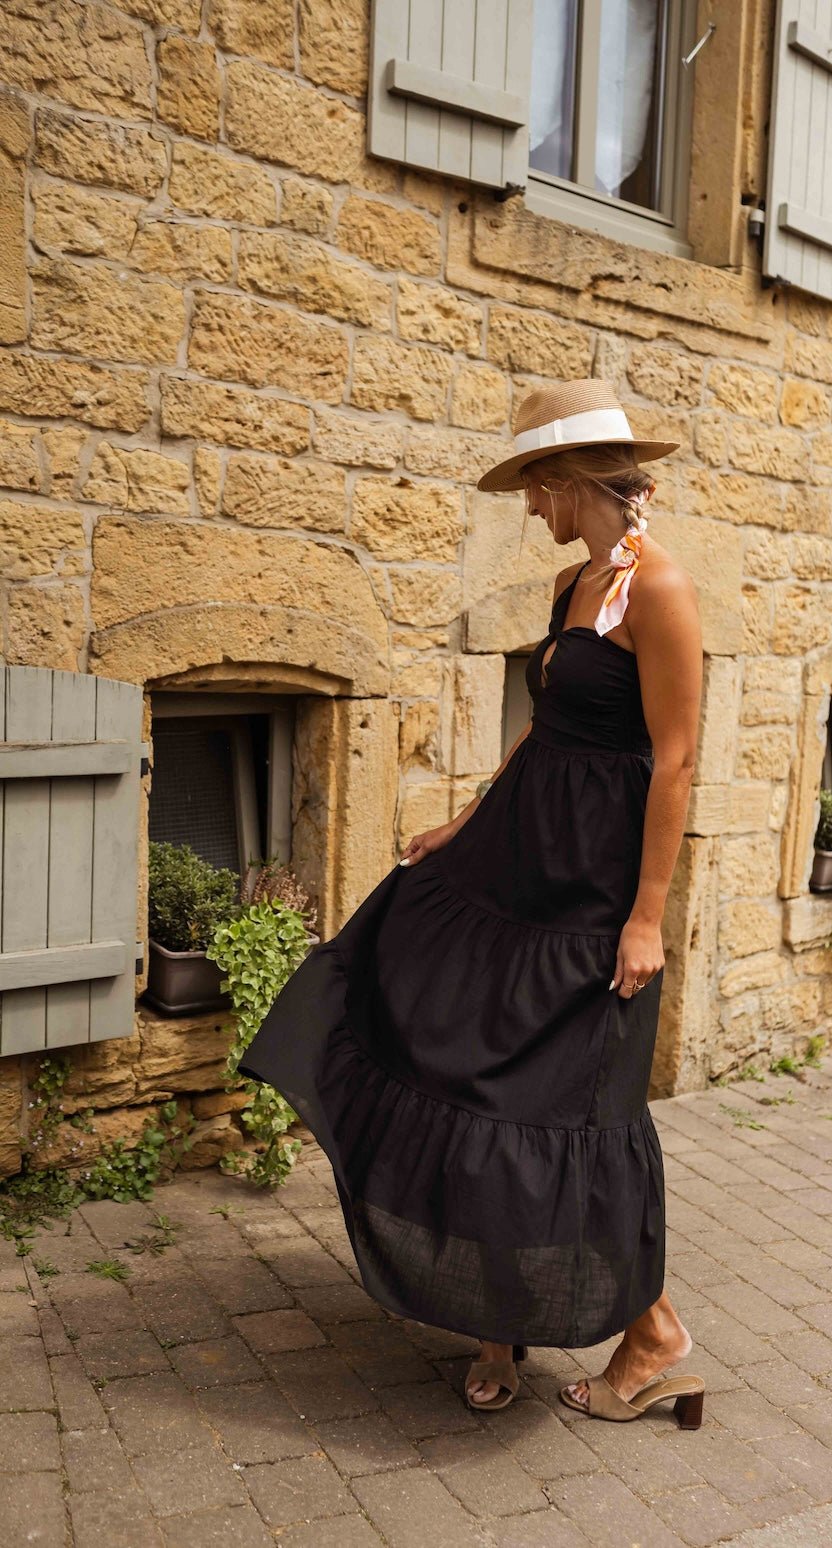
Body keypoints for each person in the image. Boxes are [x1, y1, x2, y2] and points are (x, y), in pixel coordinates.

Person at [238, 377, 706, 1426]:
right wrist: (465, 818)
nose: (530, 510)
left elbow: (674, 763)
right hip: (514, 858)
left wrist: (646, 916)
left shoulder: (662, 590)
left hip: (590, 889)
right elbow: (545, 731)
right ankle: (497, 1318)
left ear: (571, 480)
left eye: (536, 489)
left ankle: (655, 1335)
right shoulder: (570, 587)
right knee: (452, 1049)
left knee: (568, 1105)